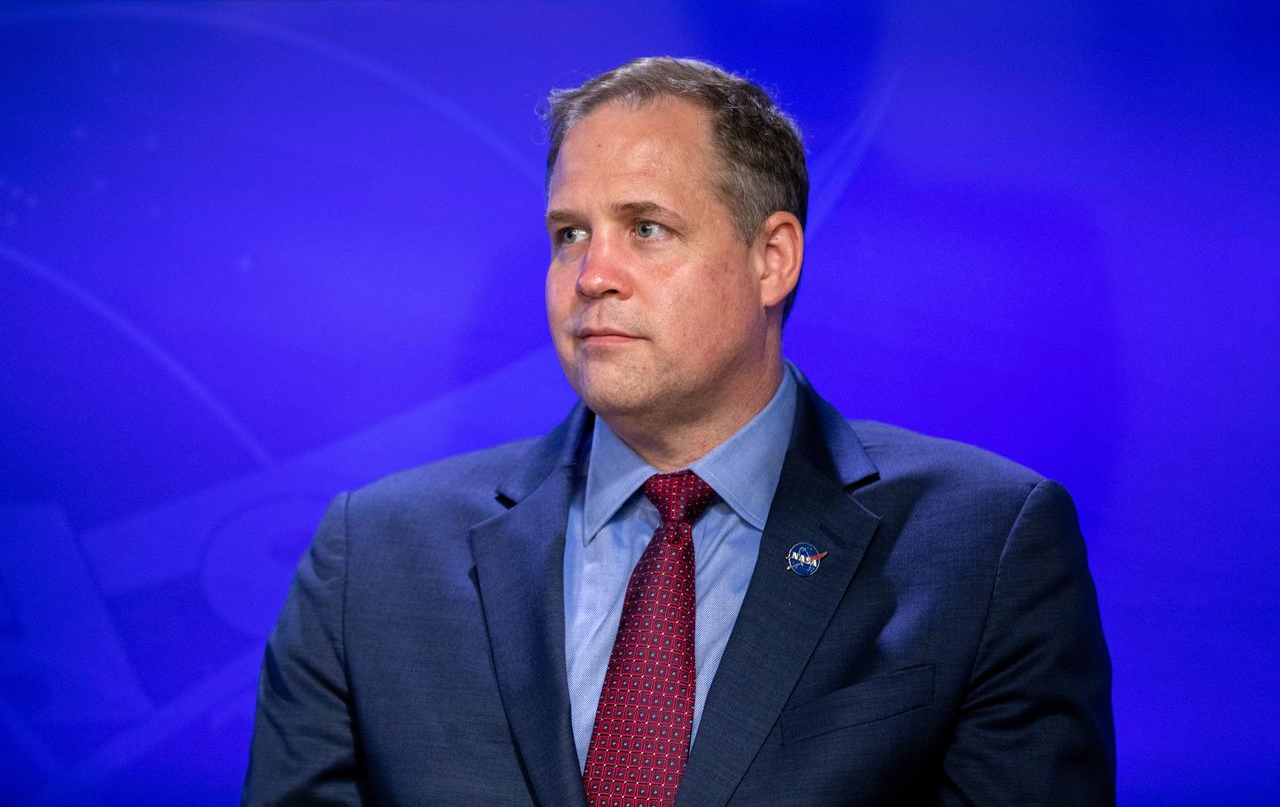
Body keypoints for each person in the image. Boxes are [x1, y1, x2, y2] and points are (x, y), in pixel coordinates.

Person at [243, 57, 1114, 806]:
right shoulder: (374, 559)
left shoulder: (984, 546)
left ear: (773, 257)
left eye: (646, 228)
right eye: (569, 232)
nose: (591, 275)